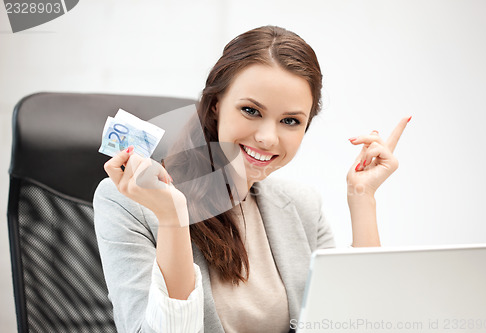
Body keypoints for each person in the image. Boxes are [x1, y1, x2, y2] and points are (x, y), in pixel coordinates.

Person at [93, 25, 410, 333]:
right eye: (251, 111)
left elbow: (357, 324)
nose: (268, 138)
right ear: (216, 105)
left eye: (290, 120)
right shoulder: (126, 202)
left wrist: (362, 198)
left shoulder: (303, 206)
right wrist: (173, 219)